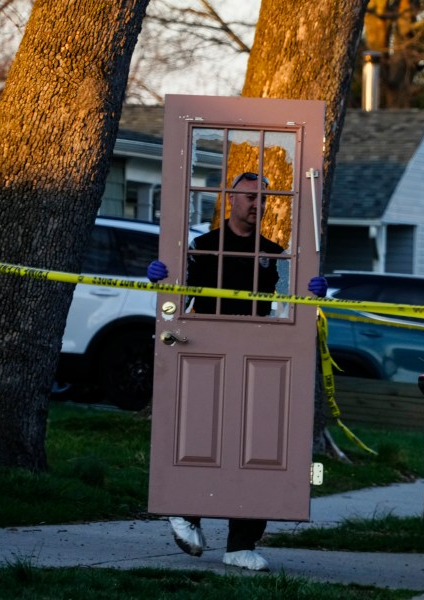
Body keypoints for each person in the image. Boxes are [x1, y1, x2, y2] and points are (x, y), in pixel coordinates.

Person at [146, 171, 328, 571]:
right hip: (204, 354)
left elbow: (291, 302)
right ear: (231, 199)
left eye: (263, 199)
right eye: (249, 197)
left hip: (260, 358)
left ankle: (242, 544)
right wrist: (160, 277)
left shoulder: (274, 253)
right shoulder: (203, 246)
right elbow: (176, 298)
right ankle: (184, 512)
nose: (256, 205)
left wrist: (315, 291)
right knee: (198, 436)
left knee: (257, 444)